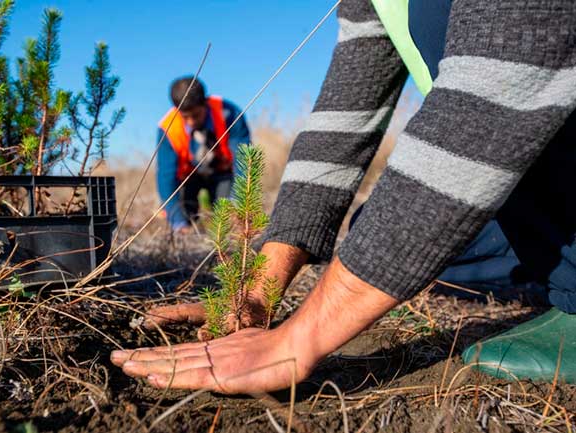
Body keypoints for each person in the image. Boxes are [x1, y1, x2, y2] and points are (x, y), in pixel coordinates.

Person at [112, 0, 576, 393]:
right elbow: (343, 122)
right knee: (387, 235)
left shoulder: (224, 114)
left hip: (530, 120)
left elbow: (500, 86)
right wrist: (258, 286)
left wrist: (302, 336)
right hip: (523, 158)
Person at [156, 77, 251, 232]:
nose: (191, 121)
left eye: (196, 115)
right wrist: (178, 223)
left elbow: (243, 160)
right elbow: (166, 177)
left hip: (222, 173)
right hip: (189, 177)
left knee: (225, 219)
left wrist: (239, 204)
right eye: (185, 116)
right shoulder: (167, 129)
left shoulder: (229, 114)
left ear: (205, 103)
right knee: (183, 215)